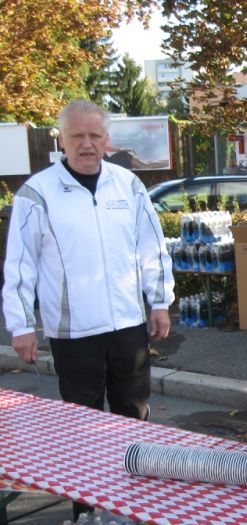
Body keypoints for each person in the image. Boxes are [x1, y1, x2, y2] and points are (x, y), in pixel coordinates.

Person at [3, 99, 174, 445]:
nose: (87, 144)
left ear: (106, 140)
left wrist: (159, 302)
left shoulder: (128, 185)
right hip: (74, 334)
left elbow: (152, 249)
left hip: (128, 326)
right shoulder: (37, 194)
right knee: (84, 428)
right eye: (77, 135)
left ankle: (136, 496)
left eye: (95, 135)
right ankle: (86, 501)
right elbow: (21, 265)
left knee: (136, 421)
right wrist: (21, 326)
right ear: (61, 140)